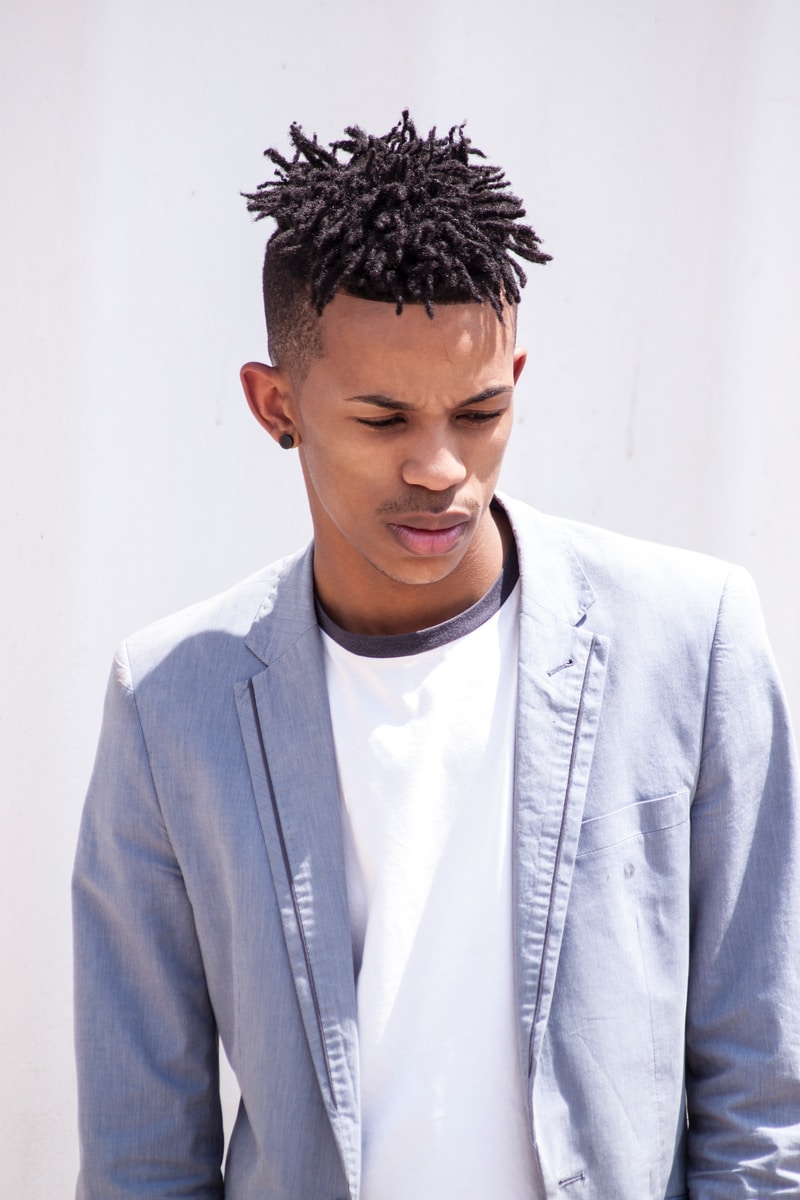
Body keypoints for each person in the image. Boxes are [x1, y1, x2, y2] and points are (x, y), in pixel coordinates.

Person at [73, 112, 800, 1199]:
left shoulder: (688, 641)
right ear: (276, 405)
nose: (439, 467)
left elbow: (763, 1098)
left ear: (515, 375)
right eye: (380, 418)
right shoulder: (172, 698)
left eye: (479, 411)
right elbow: (141, 1149)